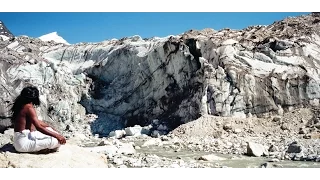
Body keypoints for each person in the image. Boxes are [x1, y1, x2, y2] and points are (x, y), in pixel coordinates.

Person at [10, 86, 66, 154]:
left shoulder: (22, 104)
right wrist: (57, 136)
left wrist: (51, 128)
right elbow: (38, 127)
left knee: (50, 131)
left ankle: (40, 148)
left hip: (20, 139)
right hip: (23, 143)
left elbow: (36, 121)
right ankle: (40, 150)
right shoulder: (29, 108)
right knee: (57, 141)